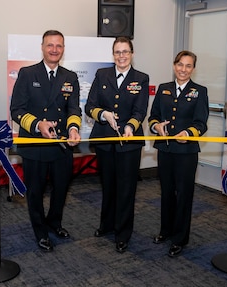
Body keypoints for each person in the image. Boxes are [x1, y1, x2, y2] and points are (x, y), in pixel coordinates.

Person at [10, 30, 81, 252]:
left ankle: (54, 223)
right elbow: (16, 110)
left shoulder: (70, 77)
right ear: (42, 47)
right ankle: (40, 231)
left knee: (61, 189)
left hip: (61, 145)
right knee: (36, 192)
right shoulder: (27, 73)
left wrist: (73, 128)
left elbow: (74, 108)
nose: (54, 50)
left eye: (59, 46)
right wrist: (37, 124)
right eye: (50, 45)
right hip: (35, 144)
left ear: (63, 49)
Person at [85, 37, 149, 253]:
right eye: (117, 52)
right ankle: (107, 225)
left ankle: (122, 233)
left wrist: (130, 126)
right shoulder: (102, 74)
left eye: (125, 51)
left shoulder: (141, 78)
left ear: (132, 53)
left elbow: (140, 111)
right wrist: (103, 114)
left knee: (126, 188)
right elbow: (90, 106)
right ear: (113, 54)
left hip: (129, 143)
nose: (121, 56)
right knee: (108, 185)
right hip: (105, 140)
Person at [148, 50, 209, 257]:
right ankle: (165, 231)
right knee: (166, 192)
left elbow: (201, 123)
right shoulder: (164, 89)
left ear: (193, 69)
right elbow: (153, 116)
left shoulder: (200, 91)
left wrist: (189, 133)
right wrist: (156, 127)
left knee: (183, 194)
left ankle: (180, 238)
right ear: (174, 66)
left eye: (188, 66)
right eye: (180, 65)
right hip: (165, 149)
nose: (183, 69)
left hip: (186, 152)